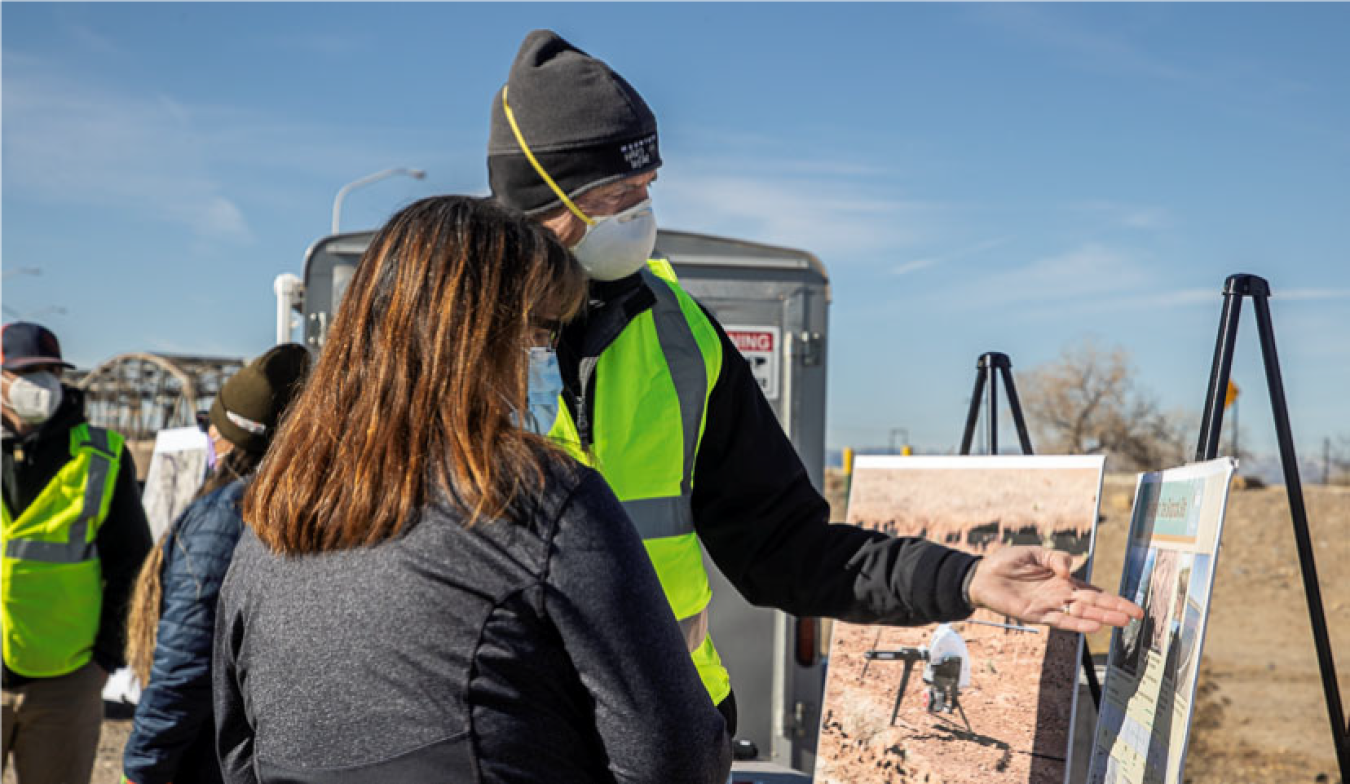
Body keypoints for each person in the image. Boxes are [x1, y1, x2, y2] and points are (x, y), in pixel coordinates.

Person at [486, 29, 1143, 730]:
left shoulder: (679, 332)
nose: (642, 215)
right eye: (620, 193)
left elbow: (787, 547)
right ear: (541, 198)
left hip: (671, 729)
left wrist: (968, 578)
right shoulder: (437, 346)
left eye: (648, 188)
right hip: (509, 741)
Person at [214, 196, 731, 783]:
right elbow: (677, 758)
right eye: (540, 332)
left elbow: (238, 754)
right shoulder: (544, 499)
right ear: (469, 340)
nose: (549, 362)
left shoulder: (268, 526)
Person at [121, 343, 311, 784]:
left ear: (232, 438)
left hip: (209, 755)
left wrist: (143, 764)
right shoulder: (295, 510)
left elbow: (186, 658)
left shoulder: (225, 517)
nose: (206, 435)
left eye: (211, 425)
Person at [0, 322, 152, 783]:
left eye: (50, 370)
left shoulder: (101, 457)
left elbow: (133, 566)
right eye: (26, 371)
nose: (42, 381)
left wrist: (105, 660)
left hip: (66, 682)